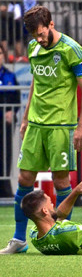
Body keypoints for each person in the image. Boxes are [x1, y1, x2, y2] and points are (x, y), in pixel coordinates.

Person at [0, 5, 82, 254]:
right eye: (34, 36)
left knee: (61, 180)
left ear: (51, 24)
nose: (39, 39)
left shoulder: (71, 49)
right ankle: (19, 240)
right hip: (36, 125)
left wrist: (81, 126)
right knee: (24, 179)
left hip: (61, 126)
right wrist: (26, 117)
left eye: (41, 34)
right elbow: (35, 83)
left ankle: (62, 233)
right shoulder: (33, 48)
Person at [0, 45, 19, 198]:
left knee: (5, 154)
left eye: (0, 53)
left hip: (5, 123)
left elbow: (17, 99)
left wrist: (11, 112)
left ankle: (5, 190)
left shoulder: (10, 76)